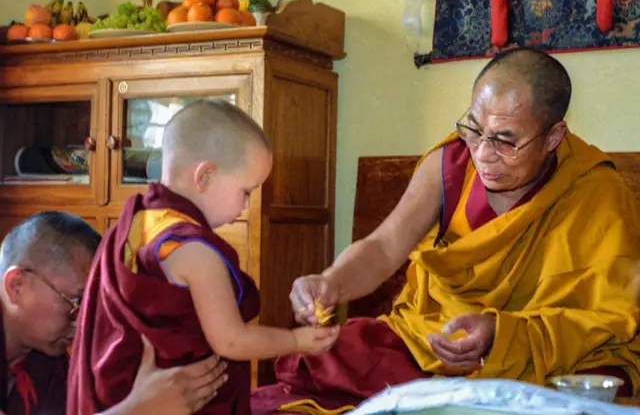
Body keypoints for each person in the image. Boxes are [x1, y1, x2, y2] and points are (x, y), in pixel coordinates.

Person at [251, 47, 640, 414]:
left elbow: (607, 318)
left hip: (541, 356)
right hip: (435, 342)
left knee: (598, 388)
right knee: (323, 356)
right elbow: (384, 246)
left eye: (505, 141)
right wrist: (332, 281)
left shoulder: (595, 190)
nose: (483, 154)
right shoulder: (449, 163)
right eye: (474, 128)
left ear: (553, 137)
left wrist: (499, 334)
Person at [68, 99, 340, 415]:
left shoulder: (135, 223)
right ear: (205, 176)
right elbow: (231, 341)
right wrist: (296, 341)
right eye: (247, 191)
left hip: (121, 396)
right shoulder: (194, 251)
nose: (246, 206)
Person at [0, 211, 229, 415]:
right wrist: (138, 409)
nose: (81, 324)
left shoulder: (48, 361)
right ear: (17, 286)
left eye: (92, 308)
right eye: (75, 302)